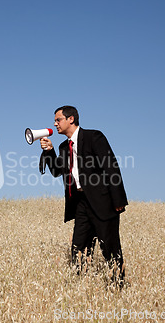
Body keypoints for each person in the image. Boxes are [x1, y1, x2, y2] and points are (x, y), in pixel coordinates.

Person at [39, 105, 128, 284]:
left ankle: (119, 287)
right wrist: (49, 151)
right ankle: (79, 288)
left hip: (103, 202)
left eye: (58, 120)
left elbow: (110, 166)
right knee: (78, 249)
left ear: (70, 119)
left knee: (110, 248)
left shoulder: (94, 137)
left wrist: (118, 200)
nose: (55, 124)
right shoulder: (64, 146)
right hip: (80, 203)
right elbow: (57, 171)